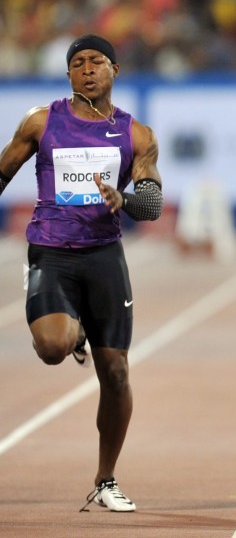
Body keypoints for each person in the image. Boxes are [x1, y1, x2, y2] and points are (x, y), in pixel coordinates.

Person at [0, 34, 163, 512]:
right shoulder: (41, 121)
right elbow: (3, 171)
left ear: (114, 70)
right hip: (51, 251)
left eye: (95, 62)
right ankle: (72, 335)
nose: (86, 70)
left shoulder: (137, 135)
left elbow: (151, 203)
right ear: (68, 74)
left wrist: (124, 199)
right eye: (77, 64)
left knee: (115, 373)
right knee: (52, 347)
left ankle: (106, 478)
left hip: (103, 257)